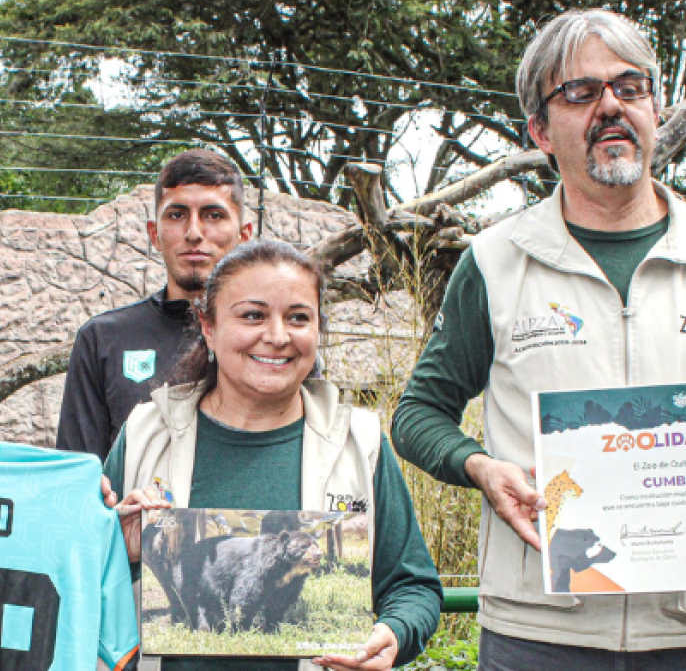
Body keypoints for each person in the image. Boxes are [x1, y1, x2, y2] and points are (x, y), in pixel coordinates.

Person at [391, 9, 686, 669]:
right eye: (580, 91)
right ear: (540, 130)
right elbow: (416, 414)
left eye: (630, 87)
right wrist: (480, 466)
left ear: (655, 109)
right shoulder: (496, 259)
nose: (610, 106)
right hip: (538, 630)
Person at [106, 239, 442, 671]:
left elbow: (413, 587)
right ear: (208, 326)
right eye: (253, 315)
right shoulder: (146, 434)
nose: (278, 336)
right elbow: (77, 580)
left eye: (298, 317)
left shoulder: (360, 442)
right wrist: (120, 552)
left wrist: (395, 632)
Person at [56, 148, 253, 458]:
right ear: (154, 234)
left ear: (244, 235)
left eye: (213, 215)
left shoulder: (277, 342)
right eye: (177, 215)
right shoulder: (103, 339)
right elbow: (78, 471)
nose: (193, 233)